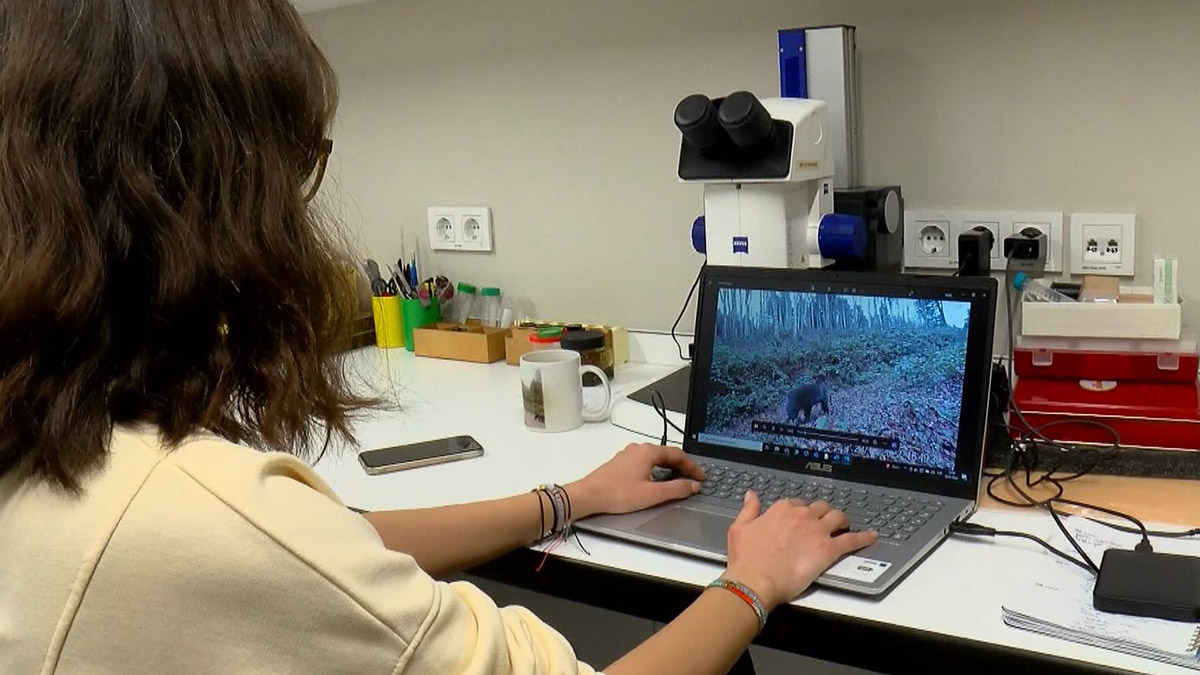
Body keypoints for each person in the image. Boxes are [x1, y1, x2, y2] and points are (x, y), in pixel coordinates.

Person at [0, 2, 876, 673]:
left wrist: (571, 498)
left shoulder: (57, 434)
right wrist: (752, 580)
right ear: (217, 198)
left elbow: (340, 540)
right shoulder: (196, 516)